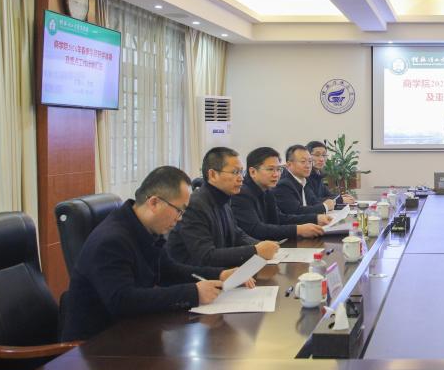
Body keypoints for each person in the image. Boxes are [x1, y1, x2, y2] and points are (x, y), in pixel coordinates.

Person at [62, 166, 255, 341]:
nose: (180, 219)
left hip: (130, 332)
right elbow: (123, 300)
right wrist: (193, 292)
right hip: (98, 346)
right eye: (179, 211)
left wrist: (220, 274)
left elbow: (169, 271)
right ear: (154, 202)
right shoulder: (111, 241)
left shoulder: (141, 229)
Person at [167, 147, 280, 267]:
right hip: (195, 276)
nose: (241, 178)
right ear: (213, 174)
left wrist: (261, 245)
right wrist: (255, 250)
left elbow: (237, 235)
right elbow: (206, 256)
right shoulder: (195, 205)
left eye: (241, 172)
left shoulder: (223, 199)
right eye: (235, 172)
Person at [231, 146, 329, 241]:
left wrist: (315, 218)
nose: (276, 174)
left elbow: (279, 218)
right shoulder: (241, 194)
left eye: (278, 169)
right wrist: (298, 230)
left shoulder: (267, 191)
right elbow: (256, 230)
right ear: (253, 172)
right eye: (270, 169)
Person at [274, 144, 333, 220]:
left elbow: (314, 202)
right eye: (303, 161)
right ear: (289, 164)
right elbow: (296, 211)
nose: (308, 166)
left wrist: (331, 203)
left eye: (310, 161)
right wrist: (325, 206)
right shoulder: (283, 185)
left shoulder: (304, 181)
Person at [306, 139, 357, 206]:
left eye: (324, 155)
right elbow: (311, 201)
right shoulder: (305, 176)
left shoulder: (319, 174)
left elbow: (328, 195)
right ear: (307, 156)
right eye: (317, 155)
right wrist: (340, 200)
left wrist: (342, 197)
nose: (321, 159)